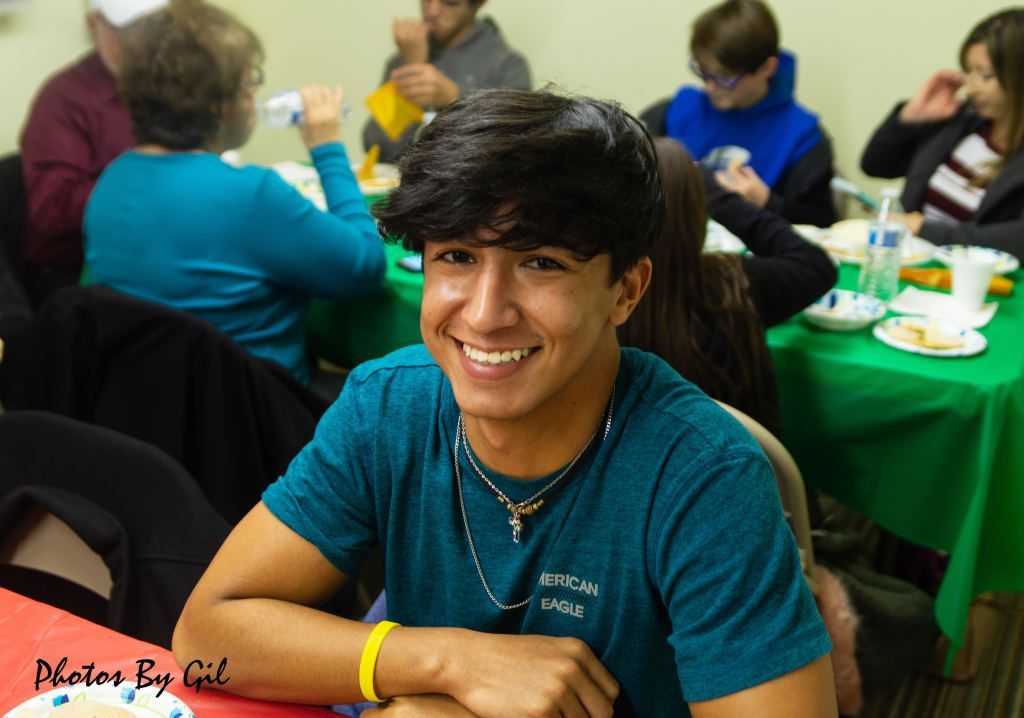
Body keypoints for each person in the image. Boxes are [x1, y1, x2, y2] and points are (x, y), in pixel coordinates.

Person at [173, 88, 837, 718]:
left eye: (541, 263)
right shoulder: (389, 407)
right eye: (457, 255)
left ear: (626, 291)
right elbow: (207, 637)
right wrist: (445, 661)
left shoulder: (703, 476)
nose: (486, 315)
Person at [83, 1, 386, 388]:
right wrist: (327, 147)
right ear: (216, 104)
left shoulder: (110, 182)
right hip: (259, 418)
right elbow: (365, 267)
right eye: (249, 83)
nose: (255, 95)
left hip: (145, 411)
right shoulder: (251, 194)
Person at [619, 137, 836, 435]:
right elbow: (816, 264)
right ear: (699, 211)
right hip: (738, 466)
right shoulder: (731, 283)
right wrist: (720, 197)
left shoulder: (599, 293)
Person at [18, 0, 168, 308]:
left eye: (152, 27)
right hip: (77, 277)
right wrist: (153, 178)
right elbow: (52, 211)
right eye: (123, 29)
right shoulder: (65, 98)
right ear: (92, 25)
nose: (138, 42)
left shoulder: (175, 83)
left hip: (158, 259)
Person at [642, 0, 837, 227]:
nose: (709, 87)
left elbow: (822, 224)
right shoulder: (674, 111)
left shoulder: (802, 138)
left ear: (767, 68)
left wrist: (768, 202)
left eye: (724, 77)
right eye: (703, 72)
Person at [861, 8, 1024, 259]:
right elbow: (876, 164)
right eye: (968, 71)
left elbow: (1017, 238)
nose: (970, 88)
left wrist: (925, 230)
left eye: (986, 75)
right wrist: (910, 116)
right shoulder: (964, 121)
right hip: (912, 265)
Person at [362, 0, 531, 163]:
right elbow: (376, 148)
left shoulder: (506, 64)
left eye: (449, 2)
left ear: (479, 3)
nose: (431, 11)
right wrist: (412, 68)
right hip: (409, 187)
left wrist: (456, 99)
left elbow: (516, 148)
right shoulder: (407, 55)